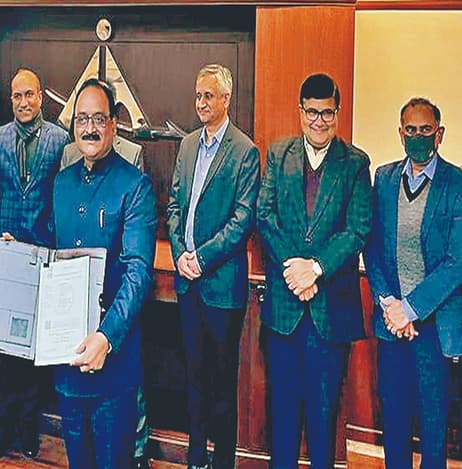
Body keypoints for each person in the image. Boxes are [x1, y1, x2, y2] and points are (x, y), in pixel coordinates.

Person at [256, 73, 372, 469]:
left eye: (327, 113)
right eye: (312, 112)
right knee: (282, 419)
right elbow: (265, 215)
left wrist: (316, 268)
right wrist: (295, 270)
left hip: (330, 316)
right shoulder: (278, 154)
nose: (319, 121)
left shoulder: (355, 163)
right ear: (300, 111)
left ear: (337, 113)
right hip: (284, 312)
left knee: (324, 423)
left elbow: (357, 229)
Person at [52, 78, 157, 469]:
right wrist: (12, 251)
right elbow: (49, 252)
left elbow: (138, 274)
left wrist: (106, 337)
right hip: (67, 361)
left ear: (113, 124)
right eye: (82, 119)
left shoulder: (135, 186)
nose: (90, 128)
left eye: (98, 118)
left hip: (114, 365)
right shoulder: (61, 183)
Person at [166, 64, 260, 469]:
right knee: (193, 376)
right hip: (187, 282)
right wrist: (179, 255)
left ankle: (222, 461)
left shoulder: (245, 151)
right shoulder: (187, 145)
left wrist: (200, 259)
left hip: (221, 287)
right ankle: (195, 456)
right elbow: (173, 206)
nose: (201, 102)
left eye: (209, 95)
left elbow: (242, 221)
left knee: (222, 383)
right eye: (198, 95)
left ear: (226, 99)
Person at [364, 97, 462, 469]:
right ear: (400, 133)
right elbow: (372, 246)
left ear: (439, 134)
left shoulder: (456, 183)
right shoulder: (385, 178)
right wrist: (389, 302)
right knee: (394, 420)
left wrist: (411, 309)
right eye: (410, 130)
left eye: (425, 130)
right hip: (391, 326)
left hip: (434, 329)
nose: (417, 136)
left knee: (434, 426)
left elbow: (456, 262)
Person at [0, 67, 69, 464]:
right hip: (4, 259)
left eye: (29, 94)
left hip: (42, 256)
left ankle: (29, 426)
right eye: (17, 96)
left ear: (41, 96)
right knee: (4, 349)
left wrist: (50, 251)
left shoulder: (60, 140)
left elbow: (62, 201)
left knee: (33, 350)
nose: (23, 102)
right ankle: (3, 428)